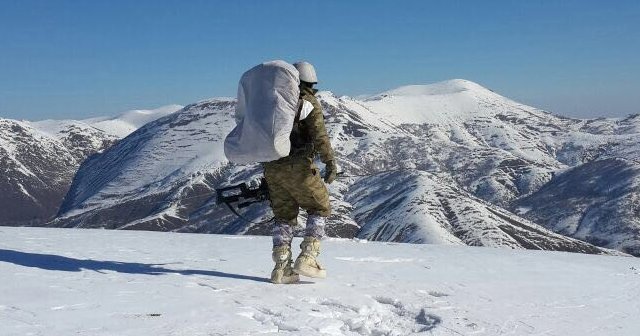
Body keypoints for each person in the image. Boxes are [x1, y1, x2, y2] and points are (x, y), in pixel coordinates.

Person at [263, 61, 337, 284]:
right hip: (298, 166)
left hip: (271, 168)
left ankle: (281, 269)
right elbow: (320, 135)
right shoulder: (306, 101)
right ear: (309, 82)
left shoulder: (272, 100)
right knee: (319, 206)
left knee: (283, 217)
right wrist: (330, 162)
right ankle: (308, 257)